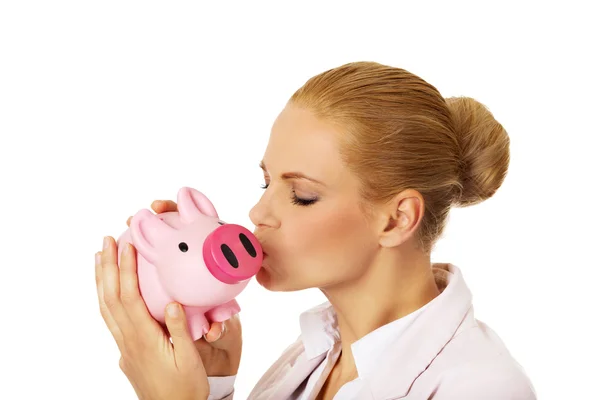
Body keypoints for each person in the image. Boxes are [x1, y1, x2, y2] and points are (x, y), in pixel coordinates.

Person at [95, 61, 537, 399]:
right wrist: (214, 383)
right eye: (266, 182)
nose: (256, 213)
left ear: (397, 218)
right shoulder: (318, 355)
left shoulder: (481, 387)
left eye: (301, 195)